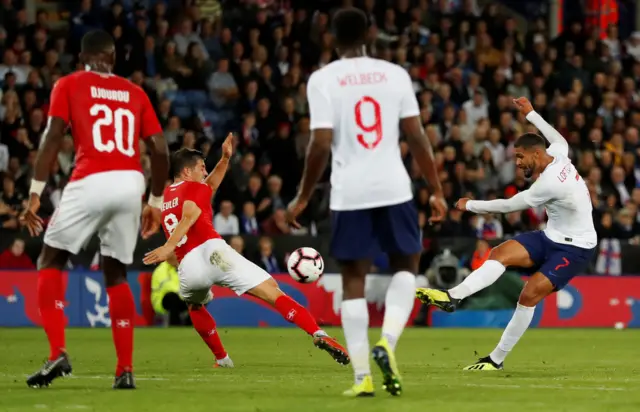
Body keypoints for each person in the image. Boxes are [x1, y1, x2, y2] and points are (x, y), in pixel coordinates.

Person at [286, 8, 447, 397]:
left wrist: (304, 195)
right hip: (394, 187)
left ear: (331, 38)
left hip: (350, 191)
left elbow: (320, 142)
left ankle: (362, 378)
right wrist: (436, 188)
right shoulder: (395, 75)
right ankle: (387, 342)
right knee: (407, 266)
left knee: (353, 279)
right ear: (370, 34)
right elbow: (417, 136)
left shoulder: (323, 80)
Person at [20, 30, 170, 389]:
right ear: (113, 59)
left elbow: (53, 136)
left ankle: (58, 350)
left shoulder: (69, 84)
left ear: (81, 58)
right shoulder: (135, 92)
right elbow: (161, 150)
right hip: (131, 182)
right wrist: (155, 202)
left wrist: (35, 193)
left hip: (91, 179)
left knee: (50, 260)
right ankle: (125, 370)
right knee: (116, 273)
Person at [416, 97, 597, 370]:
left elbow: (510, 206)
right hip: (551, 237)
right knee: (500, 253)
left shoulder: (548, 184)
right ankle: (453, 296)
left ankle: (495, 359)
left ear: (536, 154)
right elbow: (559, 138)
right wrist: (532, 114)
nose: (518, 163)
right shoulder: (559, 155)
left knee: (528, 295)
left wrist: (470, 205)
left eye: (520, 157)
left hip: (577, 248)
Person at [143, 134, 349, 368]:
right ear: (187, 172)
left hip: (188, 267)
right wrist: (169, 246)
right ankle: (318, 333)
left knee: (195, 306)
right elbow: (192, 212)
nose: (204, 171)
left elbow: (209, 186)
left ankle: (222, 359)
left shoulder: (167, 196)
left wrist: (225, 159)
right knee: (273, 292)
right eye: (201, 168)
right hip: (214, 252)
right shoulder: (194, 188)